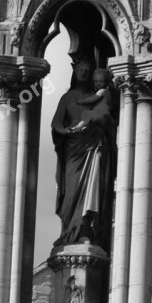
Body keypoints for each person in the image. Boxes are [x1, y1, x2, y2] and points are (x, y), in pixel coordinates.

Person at [51, 57, 116, 248]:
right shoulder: (68, 98)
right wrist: (65, 131)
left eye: (88, 70)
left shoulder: (98, 95)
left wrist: (99, 124)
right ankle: (68, 233)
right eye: (81, 69)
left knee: (91, 193)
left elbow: (107, 119)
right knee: (70, 196)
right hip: (73, 151)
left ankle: (85, 231)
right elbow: (56, 123)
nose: (85, 73)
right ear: (75, 72)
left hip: (92, 148)